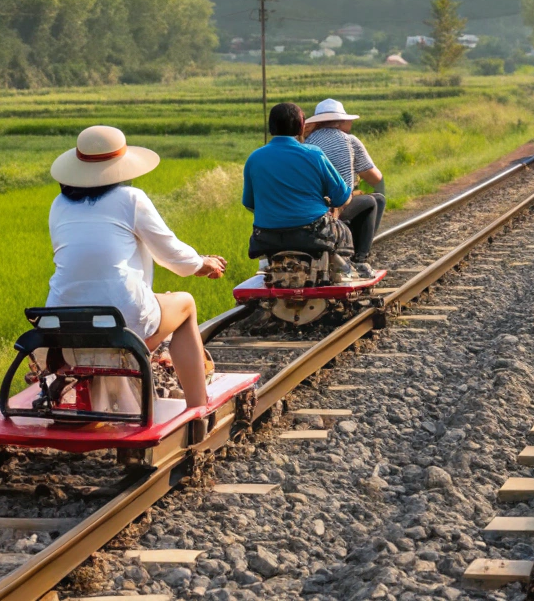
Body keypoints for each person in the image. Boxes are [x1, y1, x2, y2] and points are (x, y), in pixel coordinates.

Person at [46, 125, 226, 405]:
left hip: (62, 325)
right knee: (186, 304)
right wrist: (203, 264)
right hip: (123, 323)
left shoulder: (58, 205)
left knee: (146, 300)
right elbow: (171, 255)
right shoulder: (130, 199)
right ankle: (198, 407)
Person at [243, 102, 356, 277]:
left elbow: (250, 204)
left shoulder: (254, 158)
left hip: (266, 237)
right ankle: (347, 271)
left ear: (271, 127)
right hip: (312, 232)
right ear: (302, 125)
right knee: (344, 232)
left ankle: (268, 270)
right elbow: (342, 197)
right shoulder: (314, 154)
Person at [303, 98, 385, 278]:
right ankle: (360, 258)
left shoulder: (306, 142)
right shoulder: (349, 140)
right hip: (335, 207)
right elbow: (375, 177)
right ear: (339, 121)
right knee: (375, 200)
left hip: (308, 207)